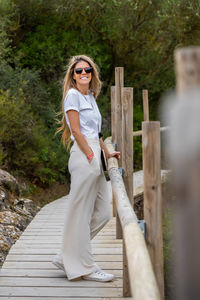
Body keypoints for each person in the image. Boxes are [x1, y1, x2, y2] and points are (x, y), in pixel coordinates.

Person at [52, 55, 120, 282]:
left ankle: (67, 255)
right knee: (80, 214)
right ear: (73, 75)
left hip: (95, 154)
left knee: (103, 212)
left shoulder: (90, 96)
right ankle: (86, 267)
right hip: (84, 156)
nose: (84, 74)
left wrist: (106, 152)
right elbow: (77, 132)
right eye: (79, 71)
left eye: (87, 70)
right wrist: (91, 155)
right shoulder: (72, 96)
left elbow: (96, 133)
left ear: (92, 74)